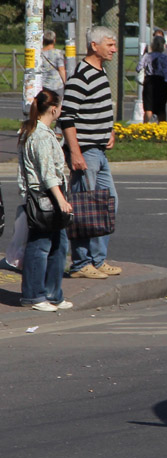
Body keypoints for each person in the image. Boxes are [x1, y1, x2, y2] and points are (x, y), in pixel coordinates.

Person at [61, 25, 121, 280]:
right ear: (94, 46)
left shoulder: (101, 72)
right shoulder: (81, 77)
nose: (114, 49)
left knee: (108, 203)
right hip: (86, 153)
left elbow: (99, 108)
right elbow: (67, 118)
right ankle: (81, 263)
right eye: (110, 44)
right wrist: (75, 153)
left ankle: (97, 259)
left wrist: (110, 131)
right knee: (85, 208)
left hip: (99, 150)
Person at [18, 89, 74, 311]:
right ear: (54, 109)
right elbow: (47, 173)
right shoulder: (40, 136)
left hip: (50, 195)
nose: (61, 110)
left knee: (59, 246)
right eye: (60, 107)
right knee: (40, 246)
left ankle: (53, 293)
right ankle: (33, 295)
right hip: (44, 197)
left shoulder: (44, 132)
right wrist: (60, 199)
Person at [143, 36, 167, 122]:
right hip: (161, 82)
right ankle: (162, 128)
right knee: (161, 108)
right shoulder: (165, 58)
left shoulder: (147, 56)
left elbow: (138, 68)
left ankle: (145, 127)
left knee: (148, 107)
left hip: (149, 80)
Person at [39, 30, 68, 97]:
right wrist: (65, 83)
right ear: (54, 40)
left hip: (43, 84)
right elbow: (61, 70)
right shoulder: (58, 53)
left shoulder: (40, 53)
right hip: (56, 85)